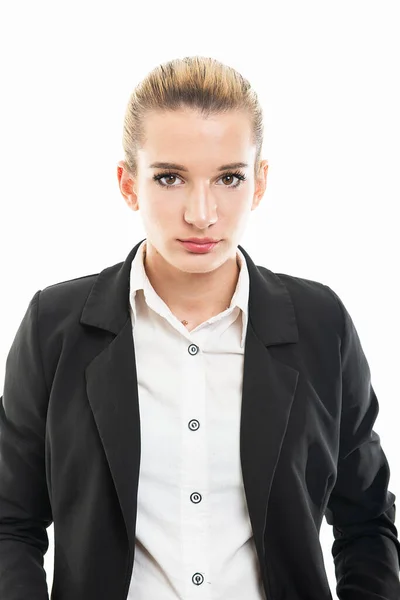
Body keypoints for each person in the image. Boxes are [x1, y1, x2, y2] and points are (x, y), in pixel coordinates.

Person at [0, 55, 399, 600]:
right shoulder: (56, 326)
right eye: (170, 177)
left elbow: (368, 522)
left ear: (259, 183)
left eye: (229, 178)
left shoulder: (320, 324)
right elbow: (9, 522)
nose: (202, 213)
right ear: (127, 184)